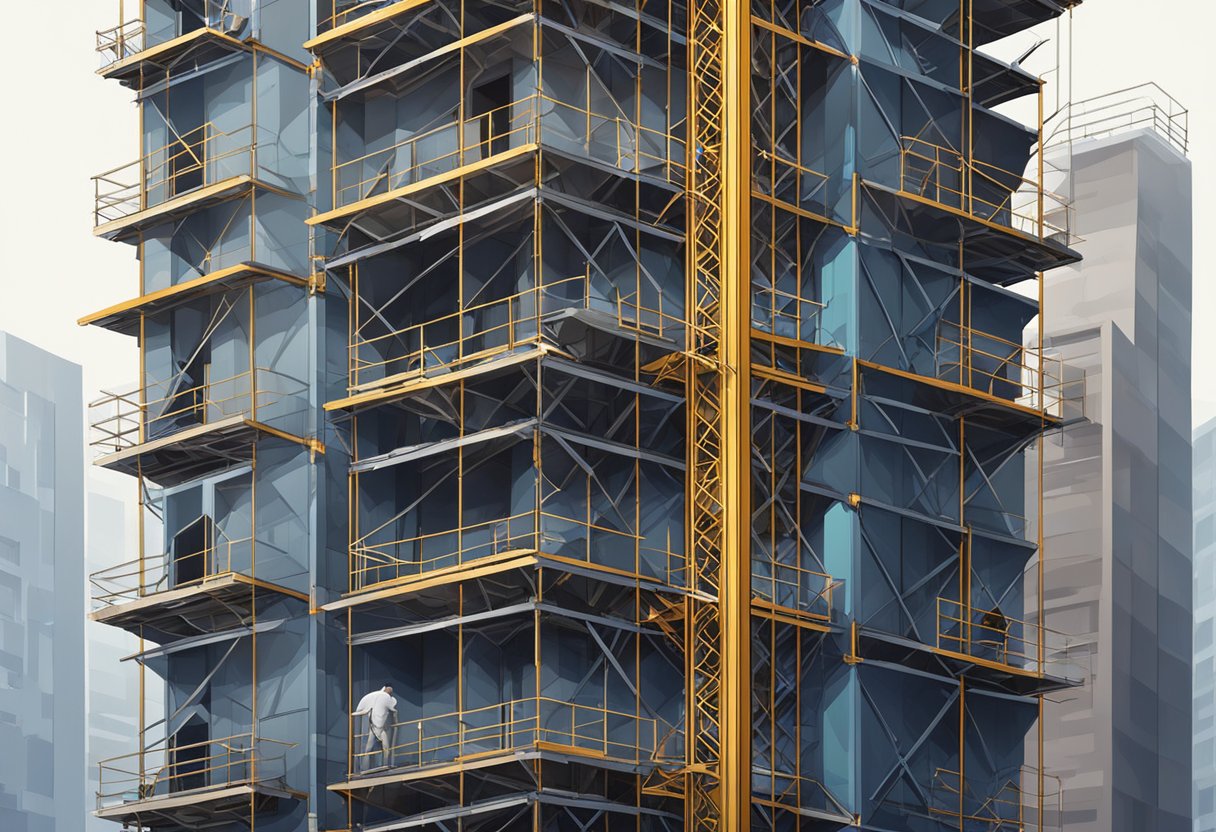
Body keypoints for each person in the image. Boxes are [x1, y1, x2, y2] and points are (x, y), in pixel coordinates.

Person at [353, 685, 397, 770]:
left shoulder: (387, 700)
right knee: (369, 748)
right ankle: (364, 767)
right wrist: (354, 714)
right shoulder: (378, 698)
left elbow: (392, 710)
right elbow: (366, 710)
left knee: (386, 748)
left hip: (381, 729)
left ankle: (385, 764)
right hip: (374, 728)